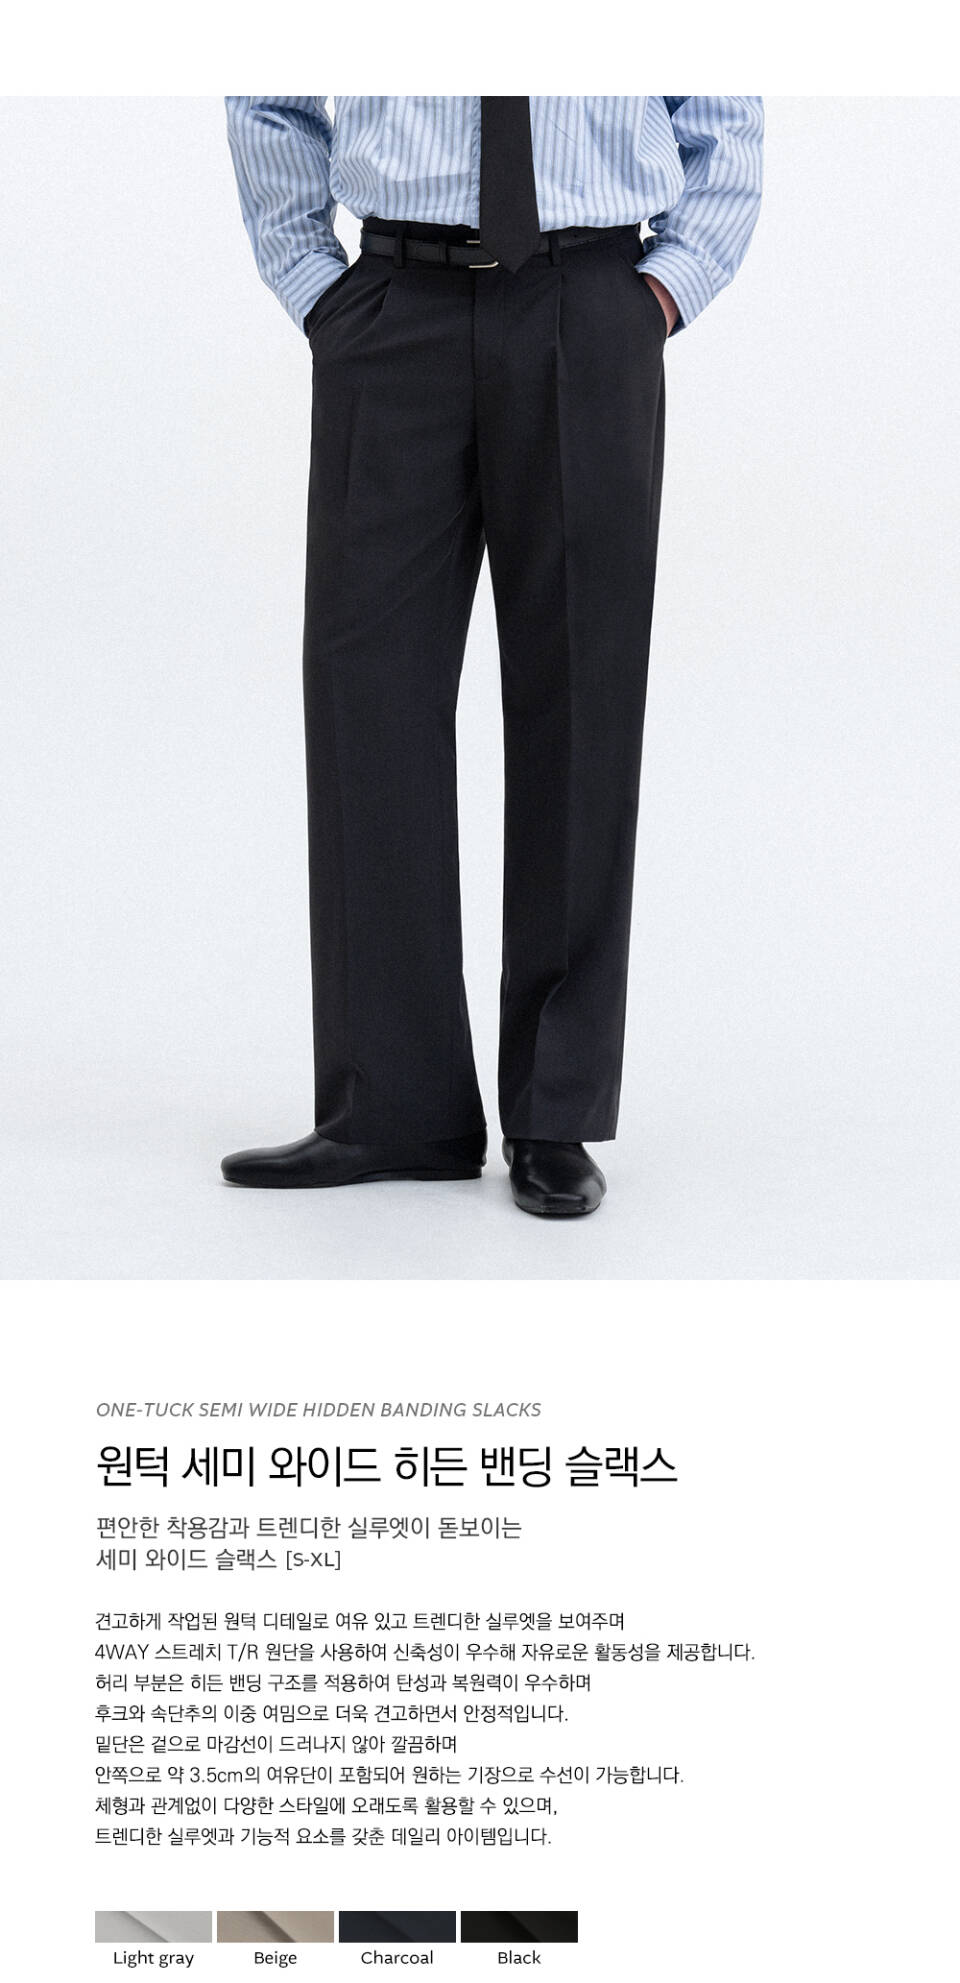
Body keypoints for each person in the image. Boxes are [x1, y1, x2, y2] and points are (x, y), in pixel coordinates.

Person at [221, 96, 763, 1216]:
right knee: (367, 696)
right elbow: (266, 80)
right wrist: (317, 285)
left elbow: (725, 105)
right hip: (393, 309)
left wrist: (661, 292)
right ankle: (392, 1104)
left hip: (590, 302)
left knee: (582, 700)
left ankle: (554, 1111)